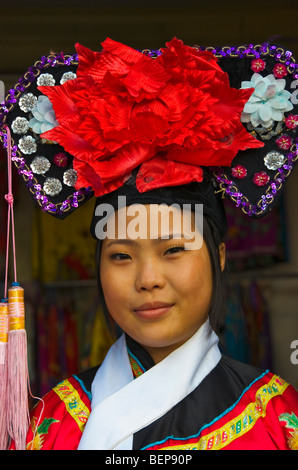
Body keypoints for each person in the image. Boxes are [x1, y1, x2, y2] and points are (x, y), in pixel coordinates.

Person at [2, 37, 298, 450]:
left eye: (173, 250)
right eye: (121, 255)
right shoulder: (53, 421)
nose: (148, 279)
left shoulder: (278, 420)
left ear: (220, 256)